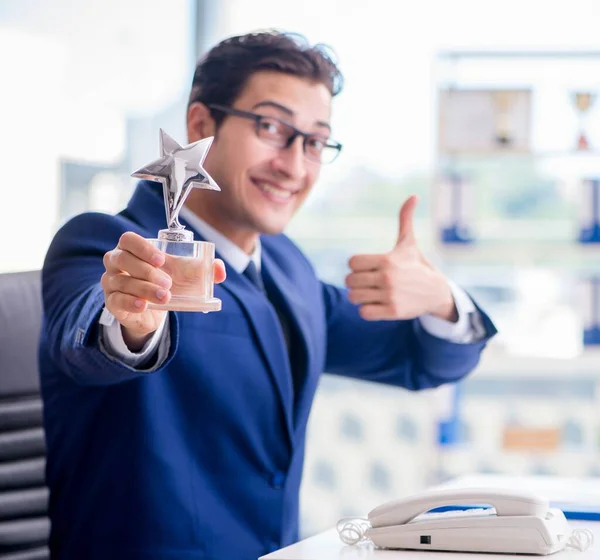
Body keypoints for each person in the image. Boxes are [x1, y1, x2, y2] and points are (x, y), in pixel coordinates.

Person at [39, 30, 496, 560]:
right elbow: (88, 338)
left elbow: (419, 359)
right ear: (201, 126)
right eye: (272, 127)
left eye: (315, 141)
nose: (294, 166)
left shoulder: (287, 269)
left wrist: (441, 299)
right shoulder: (102, 242)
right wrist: (133, 319)